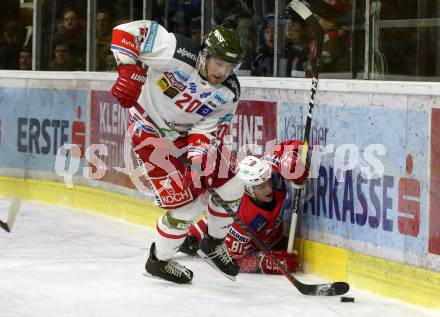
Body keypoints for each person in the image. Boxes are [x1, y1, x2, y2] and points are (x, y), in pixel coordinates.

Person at [110, 21, 245, 284]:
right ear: (205, 54)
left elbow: (208, 129)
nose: (222, 72)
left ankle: (213, 244)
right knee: (187, 207)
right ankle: (159, 261)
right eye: (218, 63)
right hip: (147, 129)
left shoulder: (229, 92)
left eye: (229, 67)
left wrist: (198, 160)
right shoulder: (175, 51)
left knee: (232, 186)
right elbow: (125, 31)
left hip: (184, 136)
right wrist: (128, 69)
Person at [180, 140, 309, 274]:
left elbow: (289, 145)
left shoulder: (270, 173)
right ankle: (185, 241)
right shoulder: (242, 220)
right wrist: (268, 263)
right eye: (261, 186)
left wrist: (291, 162)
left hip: (266, 239)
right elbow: (235, 259)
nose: (269, 189)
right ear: (247, 189)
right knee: (189, 242)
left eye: (268, 182)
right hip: (236, 236)